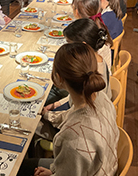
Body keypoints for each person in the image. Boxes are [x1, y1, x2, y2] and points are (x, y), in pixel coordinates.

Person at [18, 43, 119, 176]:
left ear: (58, 78)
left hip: (94, 169)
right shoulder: (100, 97)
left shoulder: (73, 138)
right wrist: (54, 171)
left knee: (20, 167)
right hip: (104, 165)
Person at [44, 18, 113, 117]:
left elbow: (76, 111)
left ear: (82, 45)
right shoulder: (96, 59)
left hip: (84, 115)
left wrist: (49, 115)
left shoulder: (89, 70)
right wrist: (56, 104)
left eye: (68, 43)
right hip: (79, 107)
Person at [72, 0, 113, 67]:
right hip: (105, 72)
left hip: (95, 75)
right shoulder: (100, 27)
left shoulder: (83, 36)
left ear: (76, 12)